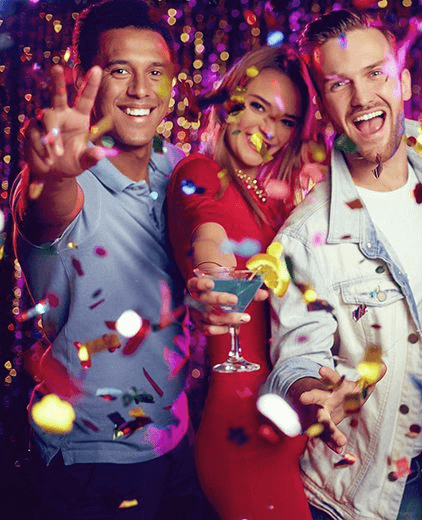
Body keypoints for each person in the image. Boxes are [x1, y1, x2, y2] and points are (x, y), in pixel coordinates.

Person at [258, 10, 422, 520]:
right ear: (322, 105)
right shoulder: (305, 234)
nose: (364, 98)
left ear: (404, 79)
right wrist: (315, 397)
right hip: (365, 494)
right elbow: (295, 359)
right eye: (339, 85)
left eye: (376, 73)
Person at [11, 0, 203, 517]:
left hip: (175, 438)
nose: (141, 90)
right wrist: (52, 172)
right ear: (84, 80)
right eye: (120, 70)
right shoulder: (66, 185)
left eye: (156, 73)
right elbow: (50, 204)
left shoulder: (179, 168)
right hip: (93, 458)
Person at [165, 46, 312, 520]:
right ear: (230, 99)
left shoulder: (274, 198)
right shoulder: (200, 172)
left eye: (287, 121)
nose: (269, 131)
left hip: (287, 425)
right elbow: (207, 228)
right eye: (257, 106)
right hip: (240, 435)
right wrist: (212, 275)